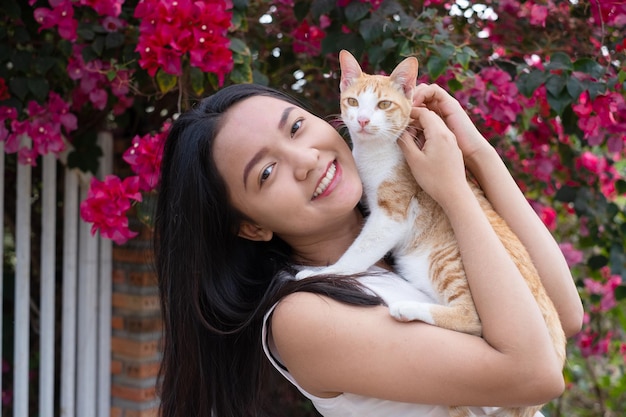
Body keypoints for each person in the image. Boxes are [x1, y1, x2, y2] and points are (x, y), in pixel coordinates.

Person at [153, 81, 583, 417]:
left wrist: (476, 153)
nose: (305, 161)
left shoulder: (402, 243)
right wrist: (452, 191)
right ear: (251, 226)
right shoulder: (303, 316)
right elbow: (536, 373)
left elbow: (562, 316)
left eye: (297, 127)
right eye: (267, 172)